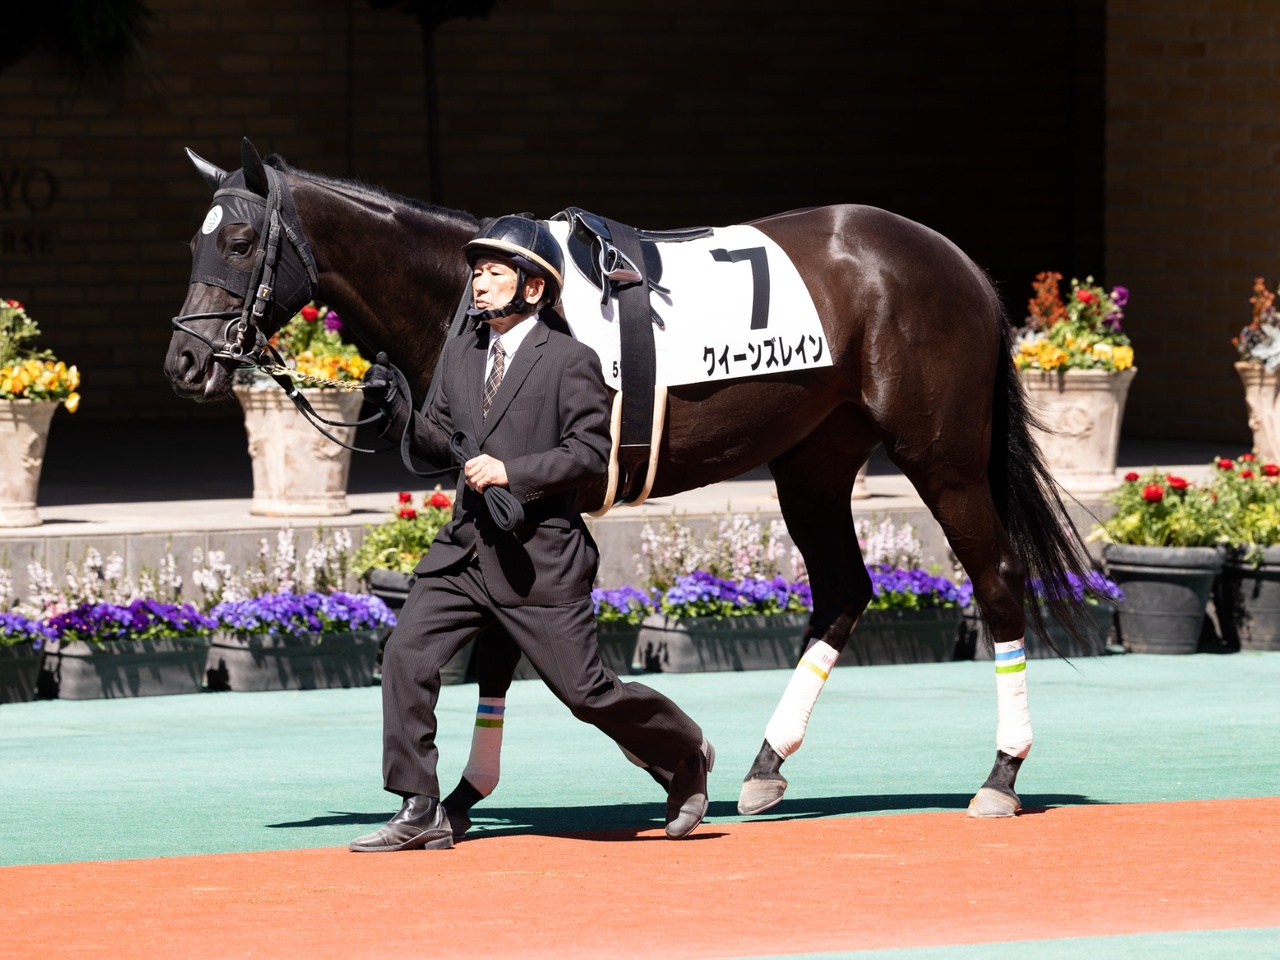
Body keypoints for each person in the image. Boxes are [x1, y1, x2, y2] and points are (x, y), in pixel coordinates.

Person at [350, 215, 713, 852]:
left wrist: (511, 473)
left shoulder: (571, 361)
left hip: (539, 560)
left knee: (587, 694)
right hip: (465, 552)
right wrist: (395, 408)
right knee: (405, 655)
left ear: (534, 287)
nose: (479, 283)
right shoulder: (461, 353)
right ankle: (420, 804)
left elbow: (590, 454)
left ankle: (685, 750)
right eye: (477, 272)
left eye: (494, 272)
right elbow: (439, 440)